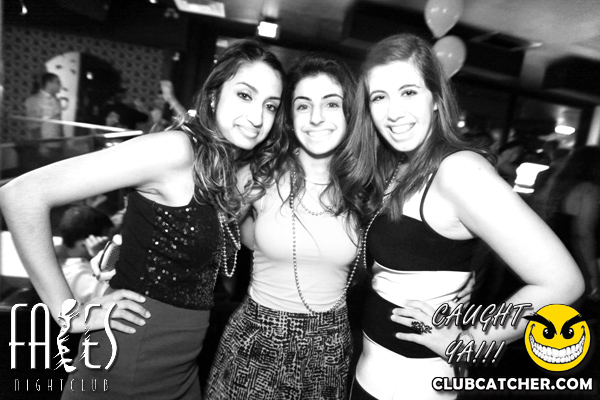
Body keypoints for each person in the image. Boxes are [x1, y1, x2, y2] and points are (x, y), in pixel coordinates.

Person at [0, 39, 285, 399]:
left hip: (182, 366)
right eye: (245, 95)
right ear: (214, 96)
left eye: (270, 105)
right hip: (132, 359)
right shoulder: (174, 150)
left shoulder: (221, 167)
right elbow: (21, 196)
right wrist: (68, 314)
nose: (258, 117)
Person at [340, 33, 583, 399]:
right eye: (379, 97)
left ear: (437, 99)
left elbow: (563, 283)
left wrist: (469, 342)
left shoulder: (459, 171)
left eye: (408, 92)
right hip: (368, 378)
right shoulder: (399, 167)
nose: (393, 112)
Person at [205, 53, 361, 399]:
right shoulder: (260, 174)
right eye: (303, 105)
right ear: (290, 116)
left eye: (331, 104)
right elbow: (209, 227)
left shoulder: (365, 187)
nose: (316, 117)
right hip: (256, 340)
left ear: (350, 112)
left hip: (329, 348)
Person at [545, 146, 600, 302]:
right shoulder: (589, 190)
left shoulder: (557, 183)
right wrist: (592, 274)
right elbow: (583, 234)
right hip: (573, 258)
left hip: (551, 250)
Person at [55, 205, 115, 304]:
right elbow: (118, 296)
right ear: (84, 244)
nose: (111, 244)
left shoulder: (52, 252)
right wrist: (105, 258)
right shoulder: (78, 276)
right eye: (105, 241)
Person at [24, 72, 64, 158]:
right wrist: (41, 145)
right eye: (57, 82)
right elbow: (33, 126)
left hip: (56, 144)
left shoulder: (56, 100)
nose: (60, 85)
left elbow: (59, 123)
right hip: (43, 147)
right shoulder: (34, 100)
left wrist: (63, 141)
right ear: (49, 83)